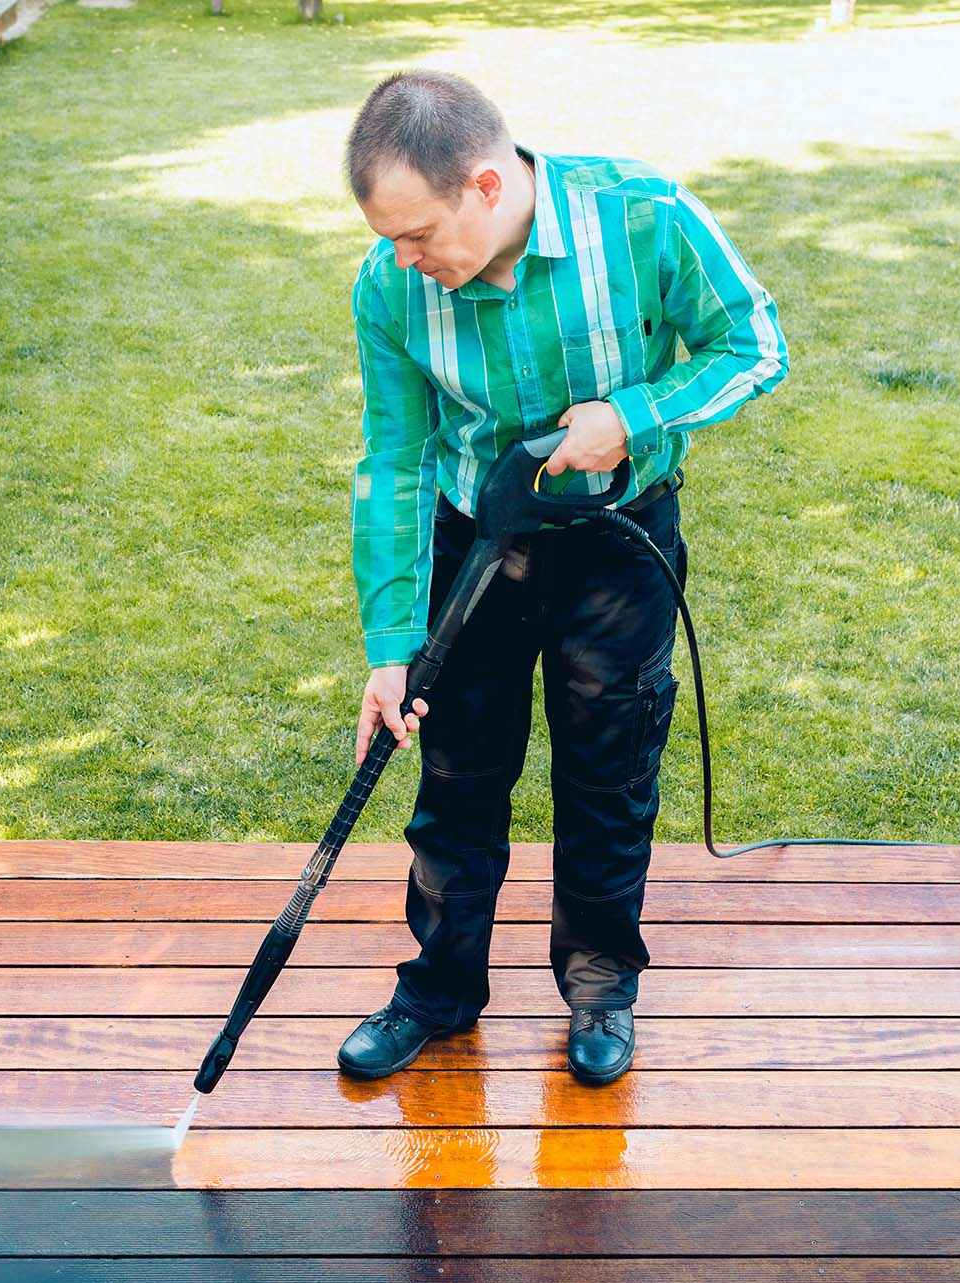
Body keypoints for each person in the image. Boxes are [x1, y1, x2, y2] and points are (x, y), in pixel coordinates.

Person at [337, 69, 788, 1086]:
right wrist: (389, 644)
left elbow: (751, 345)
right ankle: (439, 988)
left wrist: (633, 414)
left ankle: (597, 990)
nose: (403, 259)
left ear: (486, 187)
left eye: (418, 234)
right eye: (390, 239)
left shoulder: (641, 217)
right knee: (454, 778)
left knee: (607, 772)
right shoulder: (388, 285)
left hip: (615, 545)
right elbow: (394, 461)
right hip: (476, 544)